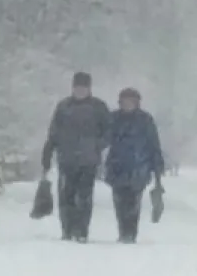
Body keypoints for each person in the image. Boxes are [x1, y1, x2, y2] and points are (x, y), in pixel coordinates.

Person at [40, 72, 111, 242]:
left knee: (84, 196)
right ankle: (67, 228)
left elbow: (109, 132)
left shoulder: (98, 107)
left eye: (83, 87)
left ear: (89, 88)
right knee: (66, 195)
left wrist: (96, 145)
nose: (80, 90)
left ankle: (82, 230)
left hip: (89, 160)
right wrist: (48, 154)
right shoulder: (64, 107)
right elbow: (53, 133)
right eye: (77, 87)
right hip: (66, 159)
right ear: (73, 88)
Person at [105, 87, 165, 243]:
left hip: (139, 168)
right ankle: (123, 230)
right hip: (116, 166)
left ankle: (130, 233)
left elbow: (153, 144)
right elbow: (103, 139)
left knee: (133, 202)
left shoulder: (145, 120)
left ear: (137, 103)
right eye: (124, 101)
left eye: (131, 101)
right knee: (119, 201)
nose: (127, 104)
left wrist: (157, 166)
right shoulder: (113, 119)